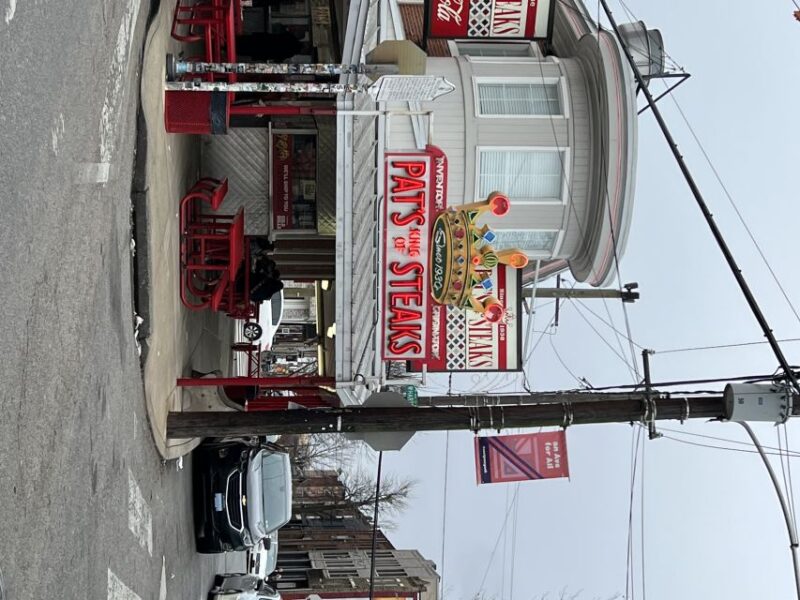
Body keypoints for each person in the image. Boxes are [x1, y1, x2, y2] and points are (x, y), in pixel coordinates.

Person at [236, 26, 303, 62]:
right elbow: (279, 58)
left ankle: (230, 40)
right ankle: (229, 49)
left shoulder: (291, 38)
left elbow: (282, 33)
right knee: (245, 51)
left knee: (244, 40)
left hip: (265, 40)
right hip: (265, 52)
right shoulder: (291, 53)